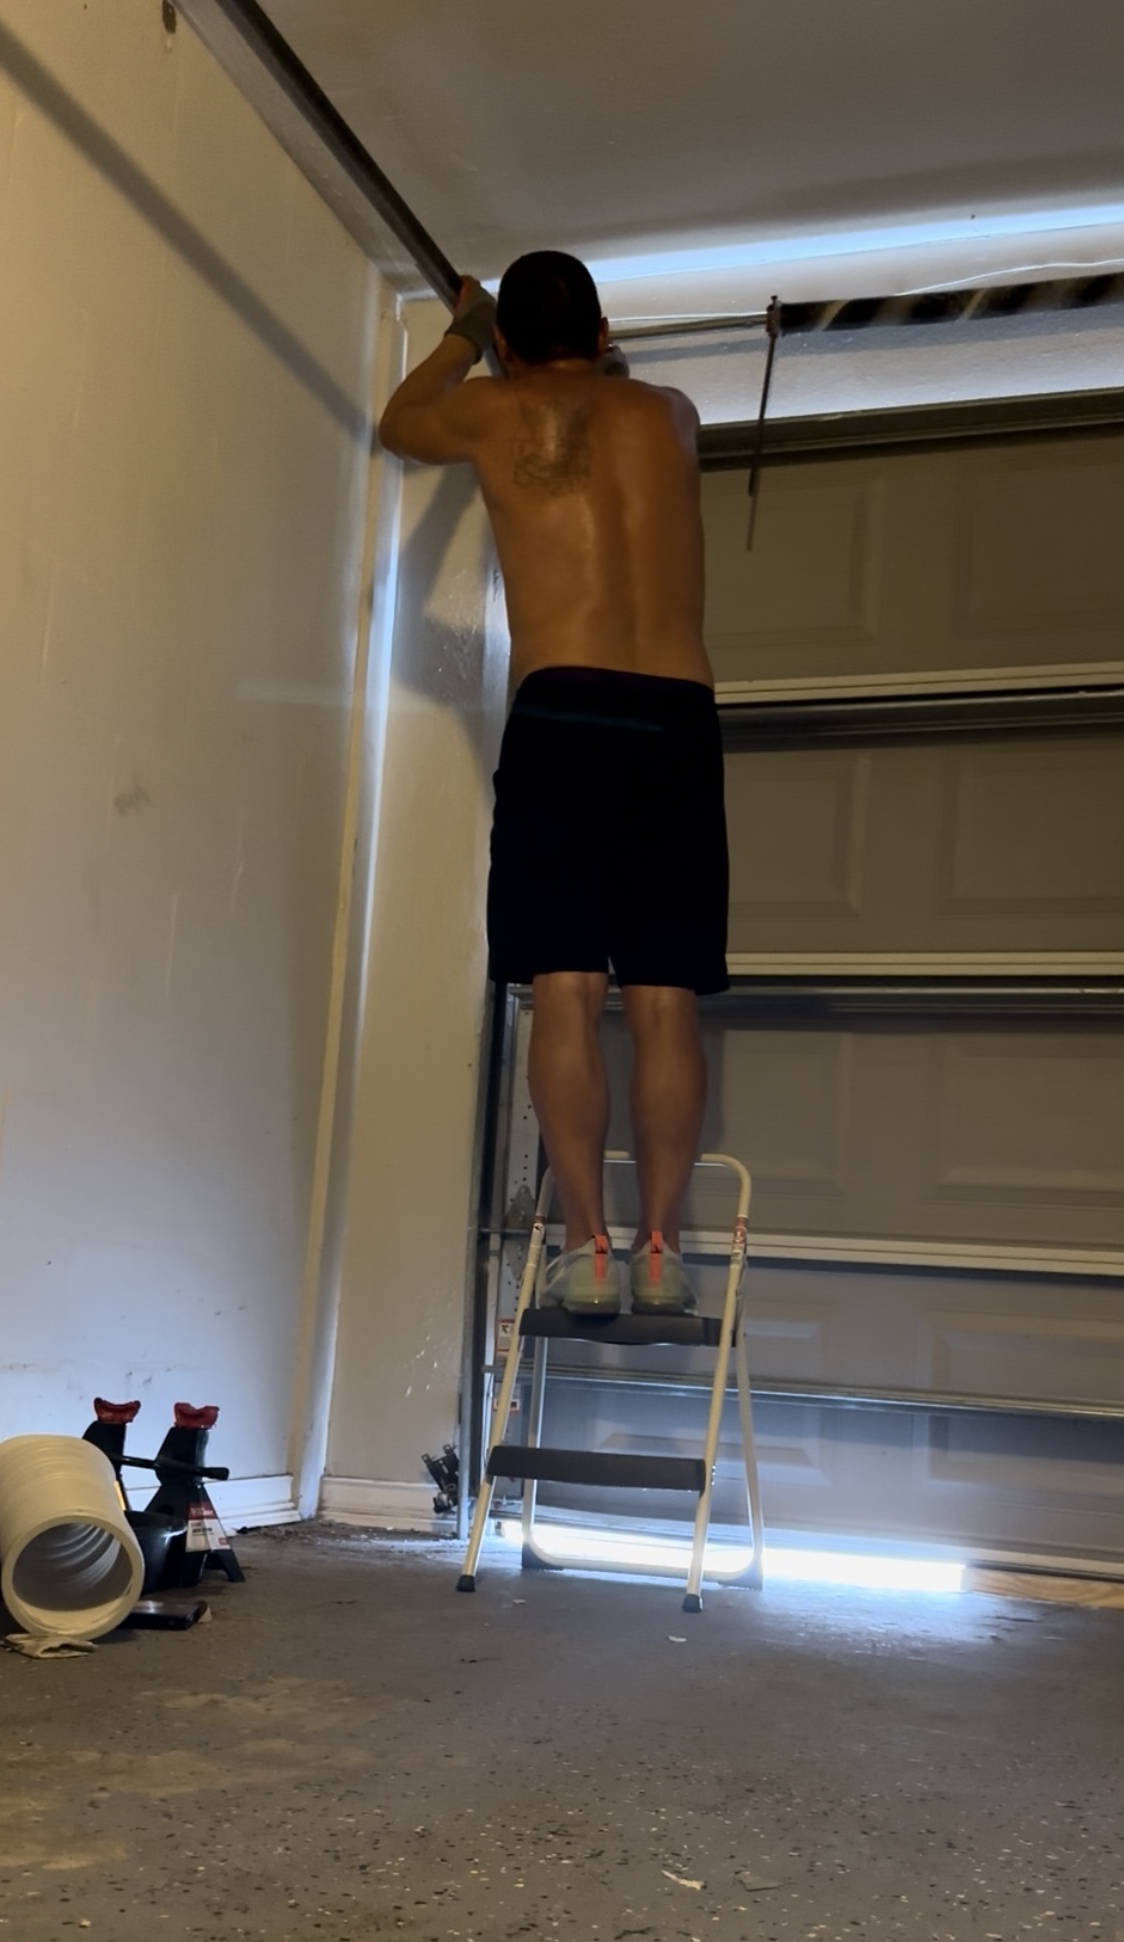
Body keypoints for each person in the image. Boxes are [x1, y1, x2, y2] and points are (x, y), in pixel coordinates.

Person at [379, 250, 728, 1316]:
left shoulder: (494, 410)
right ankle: (663, 1251)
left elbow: (400, 423)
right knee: (664, 996)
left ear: (511, 345)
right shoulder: (671, 415)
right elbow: (605, 403)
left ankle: (588, 1248)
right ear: (605, 331)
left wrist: (464, 333)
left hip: (565, 707)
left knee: (567, 987)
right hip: (677, 715)